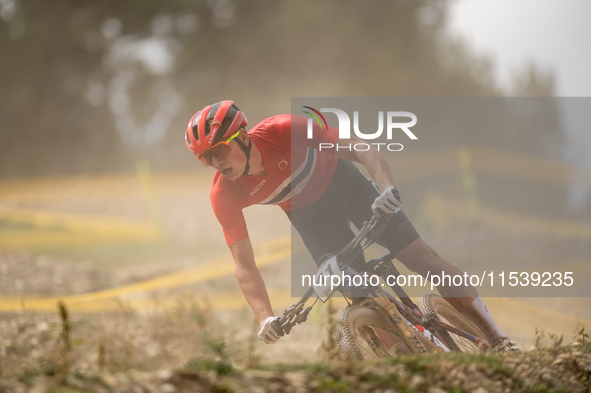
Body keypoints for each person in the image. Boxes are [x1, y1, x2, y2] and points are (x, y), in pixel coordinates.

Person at [184, 100, 519, 352]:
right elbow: (244, 266)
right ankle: (412, 362)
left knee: (422, 259)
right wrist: (265, 316)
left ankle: (498, 338)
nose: (216, 163)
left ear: (242, 137)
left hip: (346, 187)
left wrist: (387, 188)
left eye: (220, 151)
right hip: (311, 219)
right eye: (205, 158)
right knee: (358, 298)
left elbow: (361, 148)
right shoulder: (223, 193)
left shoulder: (284, 130)